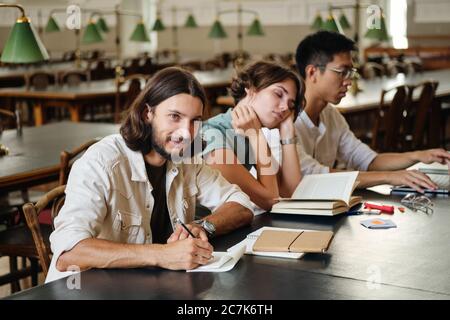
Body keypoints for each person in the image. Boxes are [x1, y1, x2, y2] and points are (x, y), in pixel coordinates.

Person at [47, 67, 254, 282]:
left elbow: (241, 204)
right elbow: (67, 253)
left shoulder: (188, 159)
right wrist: (163, 255)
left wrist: (204, 226)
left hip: (145, 287)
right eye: (175, 116)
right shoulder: (101, 161)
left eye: (194, 121)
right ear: (148, 114)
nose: (186, 132)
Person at [294, 31, 450, 192]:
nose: (348, 81)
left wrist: (418, 156)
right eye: (342, 72)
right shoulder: (286, 120)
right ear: (312, 72)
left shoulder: (331, 115)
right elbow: (313, 175)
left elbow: (369, 160)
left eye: (350, 73)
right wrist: (390, 177)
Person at [202, 61, 304, 211]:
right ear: (250, 88)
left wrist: (288, 131)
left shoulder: (250, 132)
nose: (284, 108)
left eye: (291, 105)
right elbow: (271, 201)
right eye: (278, 94)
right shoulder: (211, 133)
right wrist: (256, 136)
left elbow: (289, 191)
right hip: (197, 231)